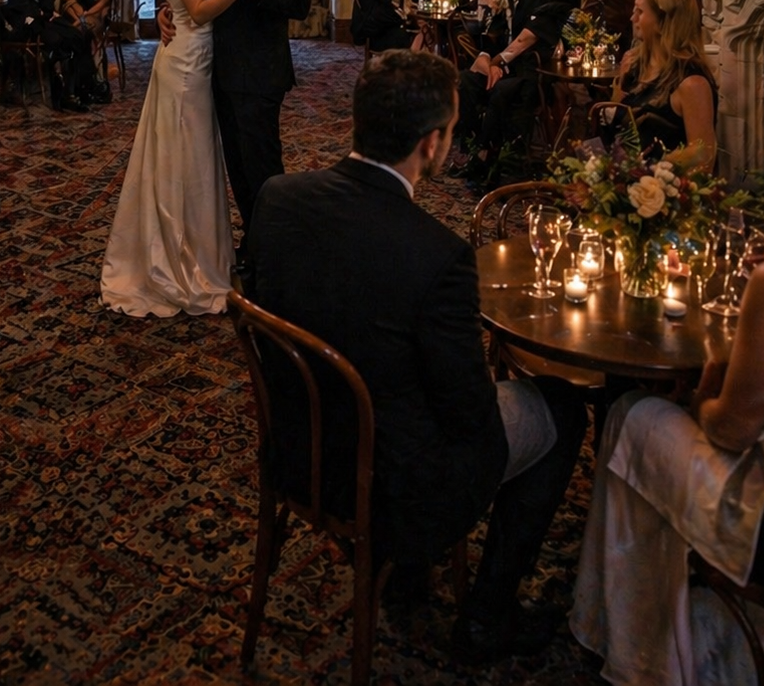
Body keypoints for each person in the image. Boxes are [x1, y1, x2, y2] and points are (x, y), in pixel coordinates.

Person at [247, 50, 586, 665]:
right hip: (393, 482)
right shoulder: (438, 256)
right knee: (562, 410)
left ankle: (407, 575)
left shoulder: (277, 198)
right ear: (432, 145)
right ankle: (485, 617)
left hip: (298, 444)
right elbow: (470, 416)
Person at [571, 83, 764, 685]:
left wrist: (703, 394)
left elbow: (733, 429)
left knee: (635, 416)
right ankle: (681, 630)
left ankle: (628, 651)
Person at [100, 0, 267, 317]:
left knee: (194, 157)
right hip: (187, 67)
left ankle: (199, 253)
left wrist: (164, 7)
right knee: (184, 160)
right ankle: (178, 262)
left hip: (194, 61)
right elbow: (197, 10)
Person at [206, 0, 313, 260]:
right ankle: (253, 242)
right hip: (222, 68)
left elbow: (301, 3)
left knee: (263, 168)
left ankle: (276, 253)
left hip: (260, 71)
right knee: (237, 167)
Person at [456, 0, 583, 171]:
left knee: (503, 90)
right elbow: (496, 29)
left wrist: (497, 61)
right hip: (504, 60)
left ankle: (491, 155)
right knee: (467, 79)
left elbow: (531, 35)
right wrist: (484, 57)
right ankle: (470, 146)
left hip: (533, 64)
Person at [613, 0, 717, 166]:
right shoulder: (633, 65)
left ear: (663, 23)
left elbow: (703, 161)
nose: (632, 19)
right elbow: (614, 124)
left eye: (640, 12)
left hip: (663, 188)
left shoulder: (692, 83)